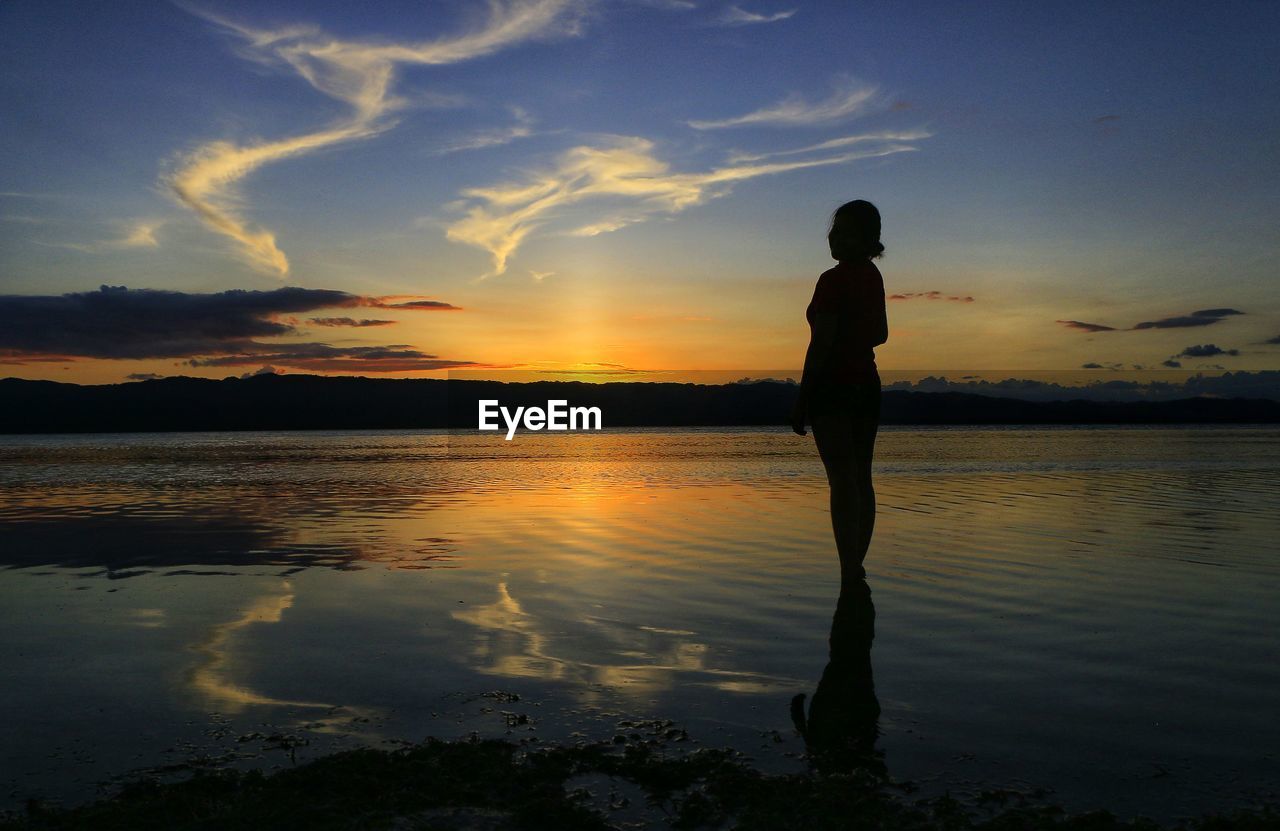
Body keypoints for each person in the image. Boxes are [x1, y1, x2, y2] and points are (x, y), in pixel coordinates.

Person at [790, 199, 888, 585]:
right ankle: (855, 567)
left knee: (843, 481)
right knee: (860, 478)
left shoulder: (832, 280)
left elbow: (821, 345)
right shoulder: (872, 277)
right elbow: (880, 334)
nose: (834, 236)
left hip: (834, 388)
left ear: (866, 238)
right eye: (834, 228)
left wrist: (802, 399)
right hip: (867, 383)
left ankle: (849, 569)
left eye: (844, 230)